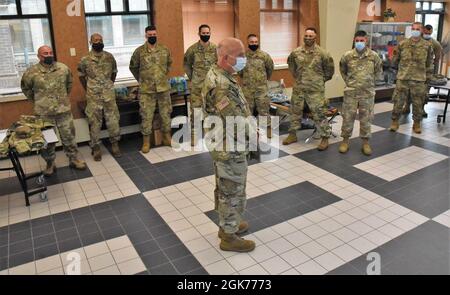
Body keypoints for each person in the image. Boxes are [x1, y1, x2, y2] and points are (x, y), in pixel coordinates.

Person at [202, 38, 255, 253]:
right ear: (225, 58)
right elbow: (235, 122)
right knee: (233, 189)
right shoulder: (222, 84)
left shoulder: (222, 75)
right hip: (230, 145)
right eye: (240, 56)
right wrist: (255, 136)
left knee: (226, 186)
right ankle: (229, 236)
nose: (244, 59)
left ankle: (227, 226)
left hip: (224, 143)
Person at [21, 45, 86, 176]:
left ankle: (74, 159)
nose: (49, 55)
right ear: (39, 56)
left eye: (50, 52)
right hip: (44, 115)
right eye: (45, 53)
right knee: (48, 140)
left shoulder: (63, 68)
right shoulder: (31, 72)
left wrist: (62, 99)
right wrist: (38, 101)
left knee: (69, 137)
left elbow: (69, 84)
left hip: (63, 111)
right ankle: (50, 163)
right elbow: (26, 89)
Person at [283, 27, 335, 151]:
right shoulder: (296, 52)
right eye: (306, 35)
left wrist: (318, 81)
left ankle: (325, 137)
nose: (307, 38)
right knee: (295, 111)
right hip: (299, 88)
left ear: (315, 37)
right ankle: (292, 134)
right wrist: (299, 78)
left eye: (310, 36)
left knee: (319, 113)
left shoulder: (323, 53)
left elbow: (329, 71)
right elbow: (292, 67)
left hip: (315, 90)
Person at [129, 25, 174, 153]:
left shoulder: (164, 49)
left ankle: (166, 137)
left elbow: (169, 64)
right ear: (146, 35)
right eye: (150, 35)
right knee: (146, 116)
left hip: (163, 89)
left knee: (166, 114)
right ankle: (146, 142)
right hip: (146, 90)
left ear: (156, 34)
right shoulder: (139, 51)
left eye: (154, 34)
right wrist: (142, 80)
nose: (152, 37)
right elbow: (133, 67)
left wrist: (162, 76)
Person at [78, 33, 121, 161]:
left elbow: (114, 73)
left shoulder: (109, 57)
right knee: (94, 122)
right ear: (91, 42)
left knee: (113, 120)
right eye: (95, 40)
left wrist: (108, 85)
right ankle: (96, 147)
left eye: (100, 40)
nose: (98, 42)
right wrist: (90, 88)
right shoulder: (85, 59)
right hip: (93, 95)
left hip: (108, 94)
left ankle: (115, 144)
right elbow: (81, 76)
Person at [339, 30, 383, 156]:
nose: (359, 43)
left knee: (366, 118)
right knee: (348, 117)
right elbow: (343, 70)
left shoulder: (374, 56)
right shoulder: (347, 55)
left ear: (366, 41)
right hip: (351, 92)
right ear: (354, 41)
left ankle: (365, 143)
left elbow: (378, 71)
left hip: (367, 93)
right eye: (357, 41)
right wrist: (349, 81)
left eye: (361, 41)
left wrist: (369, 82)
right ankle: (345, 141)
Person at [389, 22, 434, 134]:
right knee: (398, 101)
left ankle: (416, 124)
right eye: (413, 29)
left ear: (421, 30)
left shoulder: (427, 46)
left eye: (417, 29)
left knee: (418, 103)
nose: (415, 31)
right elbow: (395, 60)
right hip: (403, 78)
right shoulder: (402, 44)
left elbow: (429, 63)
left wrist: (427, 78)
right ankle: (395, 122)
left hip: (419, 79)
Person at [183, 24, 218, 146]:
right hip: (197, 86)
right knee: (196, 111)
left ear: (210, 33)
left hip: (212, 87)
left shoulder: (215, 48)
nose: (206, 35)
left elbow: (220, 65)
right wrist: (192, 77)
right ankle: (194, 136)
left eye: (207, 33)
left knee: (213, 110)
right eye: (203, 33)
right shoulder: (192, 49)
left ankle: (213, 135)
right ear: (199, 34)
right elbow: (186, 64)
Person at [403, 24, 443, 117]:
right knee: (409, 90)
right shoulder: (414, 40)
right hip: (412, 71)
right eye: (425, 32)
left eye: (429, 33)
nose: (427, 34)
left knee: (424, 92)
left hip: (425, 73)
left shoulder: (435, 44)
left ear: (432, 32)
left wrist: (431, 70)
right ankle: (407, 106)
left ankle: (422, 109)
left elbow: (437, 58)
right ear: (422, 31)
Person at [239, 34, 274, 138]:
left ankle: (269, 132)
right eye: (251, 42)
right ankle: (249, 133)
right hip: (247, 90)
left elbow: (270, 69)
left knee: (264, 111)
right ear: (248, 43)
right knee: (247, 113)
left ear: (258, 42)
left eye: (255, 42)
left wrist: (262, 80)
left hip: (261, 90)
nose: (254, 44)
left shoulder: (264, 56)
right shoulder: (242, 57)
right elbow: (240, 72)